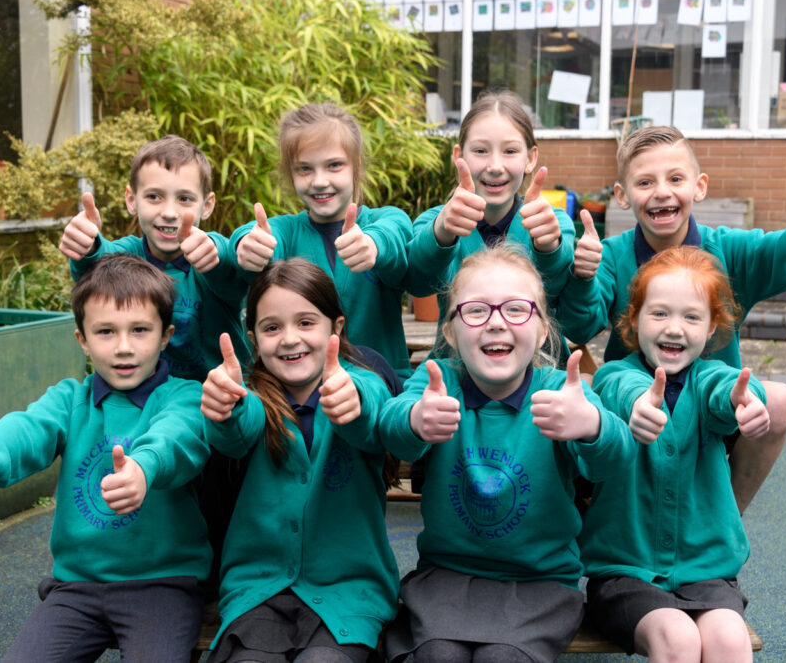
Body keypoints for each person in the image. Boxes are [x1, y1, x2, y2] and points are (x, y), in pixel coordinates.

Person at [558, 125, 786, 512]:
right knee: (579, 389)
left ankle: (725, 520)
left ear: (699, 186)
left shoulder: (729, 250)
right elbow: (578, 326)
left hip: (715, 412)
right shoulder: (611, 255)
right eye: (645, 181)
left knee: (778, 401)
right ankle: (593, 514)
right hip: (633, 408)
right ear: (623, 196)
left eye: (675, 178)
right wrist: (583, 276)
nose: (662, 191)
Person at [0, 254, 211, 662]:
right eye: (105, 332)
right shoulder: (71, 400)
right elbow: (27, 429)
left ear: (165, 335)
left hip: (162, 585)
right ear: (82, 339)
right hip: (77, 587)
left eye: (140, 330)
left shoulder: (184, 395)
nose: (124, 347)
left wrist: (143, 467)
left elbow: (178, 436)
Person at [377, 246, 634, 663]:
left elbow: (615, 459)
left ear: (542, 325)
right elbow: (393, 429)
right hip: (448, 576)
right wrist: (415, 420)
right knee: (437, 656)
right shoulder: (438, 384)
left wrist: (592, 426)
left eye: (516, 309)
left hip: (540, 583)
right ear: (450, 331)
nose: (496, 323)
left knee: (503, 658)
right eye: (476, 311)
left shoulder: (562, 392)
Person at [200, 258, 399, 663]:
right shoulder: (252, 398)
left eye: (306, 322)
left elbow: (371, 405)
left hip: (349, 593)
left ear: (336, 329)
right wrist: (226, 408)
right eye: (272, 327)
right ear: (253, 338)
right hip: (258, 591)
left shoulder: (359, 384)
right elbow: (238, 429)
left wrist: (354, 400)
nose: (290, 339)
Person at [584, 246, 771, 663]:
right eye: (660, 313)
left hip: (705, 570)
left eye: (691, 317)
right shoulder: (617, 374)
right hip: (626, 573)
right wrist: (639, 406)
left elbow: (727, 393)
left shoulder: (710, 379)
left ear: (710, 329)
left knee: (728, 639)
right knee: (678, 639)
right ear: (634, 320)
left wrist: (747, 401)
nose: (675, 328)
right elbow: (618, 390)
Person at [229, 102, 415, 378]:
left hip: (381, 387)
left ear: (356, 166)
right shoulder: (288, 230)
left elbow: (395, 232)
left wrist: (373, 244)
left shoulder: (383, 221)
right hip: (299, 394)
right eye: (304, 169)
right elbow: (255, 236)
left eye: (334, 165)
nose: (318, 181)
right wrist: (249, 244)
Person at [59, 134, 250, 382]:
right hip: (150, 398)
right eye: (154, 197)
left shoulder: (209, 251)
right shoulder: (127, 255)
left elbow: (227, 265)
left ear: (207, 205)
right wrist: (87, 244)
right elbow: (97, 265)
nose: (169, 213)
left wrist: (213, 255)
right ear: (131, 200)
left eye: (185, 199)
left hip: (223, 395)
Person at [405, 89, 576, 360]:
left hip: (543, 377)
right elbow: (418, 280)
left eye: (510, 151)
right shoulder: (434, 222)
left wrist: (548, 247)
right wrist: (442, 233)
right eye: (481, 151)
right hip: (455, 376)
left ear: (530, 158)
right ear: (458, 155)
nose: (495, 166)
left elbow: (559, 289)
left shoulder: (553, 221)